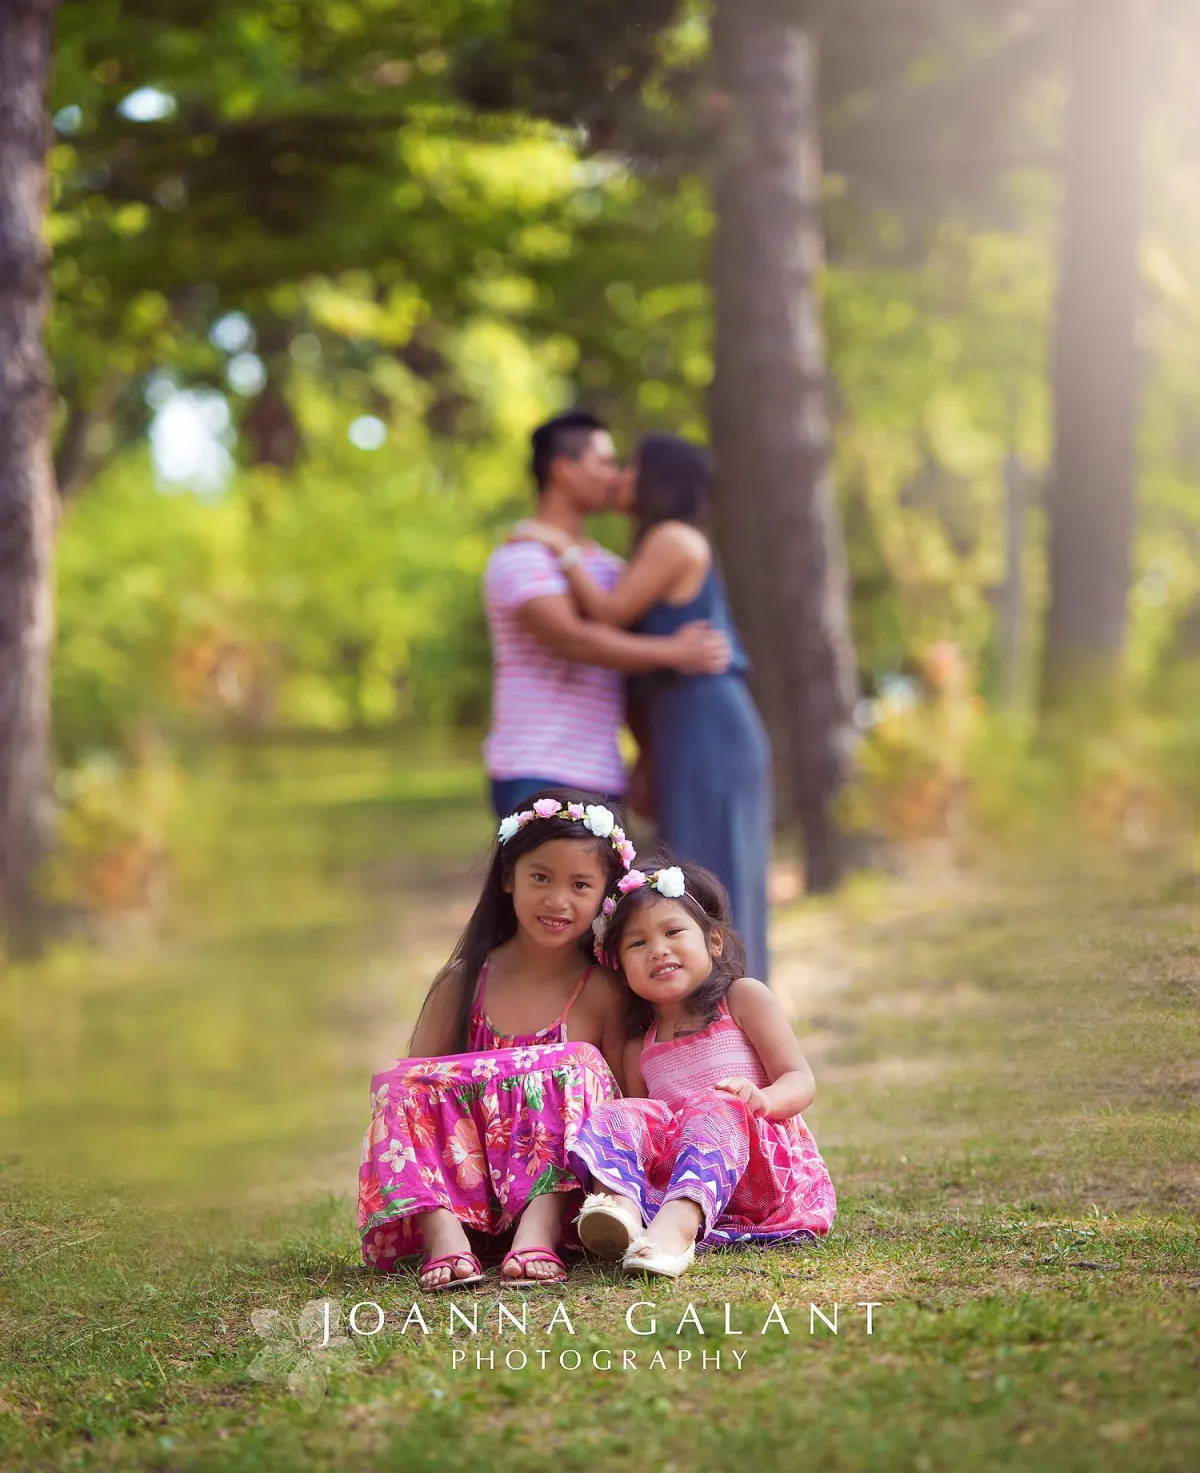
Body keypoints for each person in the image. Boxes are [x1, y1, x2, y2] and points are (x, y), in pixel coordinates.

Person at [513, 432, 772, 981]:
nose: (619, 478)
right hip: (681, 731)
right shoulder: (653, 544)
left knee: (712, 884)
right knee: (689, 879)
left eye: (630, 468)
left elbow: (607, 613)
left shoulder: (675, 538)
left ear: (658, 480)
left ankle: (742, 1022)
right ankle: (708, 1021)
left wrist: (560, 548)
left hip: (710, 727)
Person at [358, 791, 637, 1289]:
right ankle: (445, 1240)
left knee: (576, 1063)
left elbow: (630, 1101)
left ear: (605, 894)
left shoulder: (601, 990)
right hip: (467, 1191)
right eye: (540, 878)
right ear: (508, 877)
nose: (557, 900)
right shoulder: (464, 982)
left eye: (580, 884)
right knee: (398, 1082)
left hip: (566, 1193)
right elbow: (418, 1095)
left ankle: (540, 1230)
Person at [569, 859, 835, 1279]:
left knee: (718, 1104)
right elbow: (645, 1133)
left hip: (762, 1175)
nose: (657, 949)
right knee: (621, 1110)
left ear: (713, 941)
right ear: (619, 966)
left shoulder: (743, 999)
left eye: (673, 932)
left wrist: (762, 1100)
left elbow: (800, 1080)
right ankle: (617, 1211)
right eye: (637, 944)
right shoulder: (641, 1045)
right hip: (683, 1178)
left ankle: (673, 1237)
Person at [484, 411, 730, 820]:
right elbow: (574, 640)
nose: (615, 476)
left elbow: (626, 676)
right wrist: (674, 651)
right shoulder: (521, 556)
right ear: (563, 470)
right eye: (604, 462)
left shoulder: (609, 571)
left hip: (603, 775)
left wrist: (646, 761)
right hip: (536, 770)